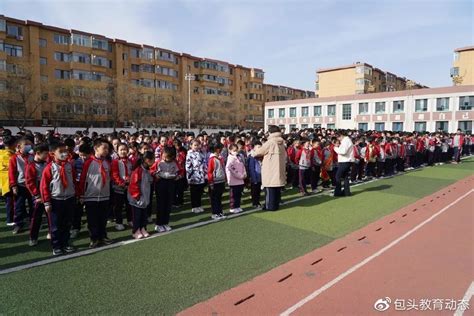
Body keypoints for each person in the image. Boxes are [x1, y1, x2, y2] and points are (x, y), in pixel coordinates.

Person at [40, 142, 77, 256]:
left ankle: (65, 243)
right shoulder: (49, 167)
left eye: (65, 151)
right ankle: (56, 246)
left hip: (69, 198)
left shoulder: (69, 165)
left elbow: (74, 180)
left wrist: (77, 194)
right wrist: (46, 202)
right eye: (60, 152)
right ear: (52, 154)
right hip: (56, 200)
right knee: (55, 225)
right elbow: (44, 186)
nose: (64, 153)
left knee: (67, 223)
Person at [78, 138, 113, 248]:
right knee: (92, 219)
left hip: (104, 196)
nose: (106, 150)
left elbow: (109, 179)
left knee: (103, 218)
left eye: (108, 148)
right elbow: (83, 179)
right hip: (91, 197)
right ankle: (94, 238)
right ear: (96, 148)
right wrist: (81, 195)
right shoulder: (89, 162)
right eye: (104, 148)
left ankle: (103, 236)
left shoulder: (107, 163)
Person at [254, 125, 287, 211]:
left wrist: (254, 151)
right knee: (276, 189)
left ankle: (270, 206)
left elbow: (259, 152)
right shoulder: (281, 142)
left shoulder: (270, 142)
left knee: (269, 188)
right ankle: (275, 205)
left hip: (270, 168)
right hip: (279, 168)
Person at [25, 143, 49, 246]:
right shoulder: (31, 166)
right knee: (36, 217)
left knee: (50, 215)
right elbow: (29, 182)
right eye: (45, 154)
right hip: (38, 196)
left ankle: (51, 232)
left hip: (48, 193)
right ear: (38, 153)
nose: (47, 156)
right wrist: (37, 195)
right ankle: (33, 237)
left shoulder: (47, 164)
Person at [9, 137, 34, 234]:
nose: (29, 147)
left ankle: (33, 222)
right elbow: (12, 172)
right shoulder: (14, 158)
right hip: (20, 185)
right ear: (19, 146)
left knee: (33, 205)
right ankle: (18, 224)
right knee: (19, 206)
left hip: (31, 185)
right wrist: (13, 185)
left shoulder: (32, 156)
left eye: (30, 145)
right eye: (26, 145)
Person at [128, 151, 154, 239]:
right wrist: (137, 196)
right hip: (137, 199)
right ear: (147, 160)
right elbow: (134, 184)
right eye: (152, 159)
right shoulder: (138, 170)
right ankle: (136, 231)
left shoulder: (146, 170)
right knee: (137, 216)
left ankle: (143, 228)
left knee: (144, 215)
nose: (154, 161)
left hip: (144, 197)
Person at [153, 146, 179, 233]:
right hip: (161, 184)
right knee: (161, 204)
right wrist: (155, 175)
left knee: (168, 204)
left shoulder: (174, 163)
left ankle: (165, 222)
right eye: (163, 156)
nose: (164, 158)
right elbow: (152, 170)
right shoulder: (158, 162)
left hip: (170, 183)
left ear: (172, 157)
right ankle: (158, 224)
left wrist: (177, 176)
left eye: (167, 157)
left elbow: (179, 172)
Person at [111, 143, 132, 231]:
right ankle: (119, 222)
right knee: (118, 206)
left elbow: (132, 173)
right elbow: (114, 175)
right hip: (118, 188)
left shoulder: (130, 162)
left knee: (129, 205)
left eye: (125, 149)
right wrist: (122, 183)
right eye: (121, 150)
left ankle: (130, 220)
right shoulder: (115, 162)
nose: (123, 151)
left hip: (129, 188)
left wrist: (130, 182)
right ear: (117, 151)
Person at [185, 139, 207, 213]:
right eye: (195, 145)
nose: (196, 147)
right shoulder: (189, 154)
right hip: (193, 176)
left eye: (197, 145)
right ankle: (194, 206)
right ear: (191, 146)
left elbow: (204, 164)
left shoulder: (200, 153)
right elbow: (188, 166)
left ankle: (199, 205)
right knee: (194, 192)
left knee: (199, 192)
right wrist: (189, 177)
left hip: (201, 175)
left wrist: (205, 172)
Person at [225, 144, 247, 214]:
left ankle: (237, 206)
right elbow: (232, 169)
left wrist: (244, 173)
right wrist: (240, 175)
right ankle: (232, 207)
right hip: (233, 180)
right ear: (230, 150)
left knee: (238, 194)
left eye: (236, 150)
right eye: (234, 150)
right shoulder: (230, 158)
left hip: (240, 179)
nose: (236, 152)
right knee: (233, 195)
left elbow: (243, 166)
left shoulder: (239, 157)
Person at [207, 143, 226, 219]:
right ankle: (215, 213)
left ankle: (220, 212)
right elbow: (209, 171)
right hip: (215, 181)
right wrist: (211, 182)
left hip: (221, 180)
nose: (221, 150)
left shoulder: (220, 158)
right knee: (214, 198)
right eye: (219, 148)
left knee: (219, 197)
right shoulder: (212, 159)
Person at [0, 135, 16, 226]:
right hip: (8, 181)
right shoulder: (10, 156)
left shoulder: (1, 153)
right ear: (13, 144)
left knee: (8, 201)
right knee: (10, 201)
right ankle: (10, 219)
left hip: (2, 181)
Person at [333, 131, 354, 197]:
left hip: (345, 161)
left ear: (341, 135)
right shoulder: (347, 140)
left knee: (338, 176)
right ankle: (346, 192)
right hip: (346, 161)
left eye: (338, 137)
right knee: (345, 177)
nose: (338, 139)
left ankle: (337, 193)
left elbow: (343, 151)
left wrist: (335, 148)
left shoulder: (346, 141)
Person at [248, 141, 263, 208]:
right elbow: (251, 168)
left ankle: (258, 202)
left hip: (260, 176)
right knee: (254, 191)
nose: (259, 148)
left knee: (258, 191)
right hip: (255, 178)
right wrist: (254, 179)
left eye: (260, 147)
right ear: (254, 147)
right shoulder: (252, 156)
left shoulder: (260, 156)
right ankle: (255, 203)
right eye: (258, 147)